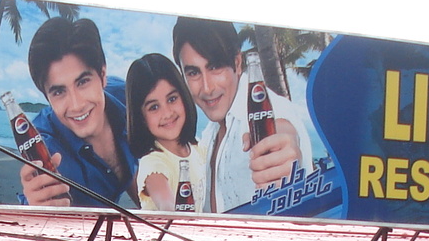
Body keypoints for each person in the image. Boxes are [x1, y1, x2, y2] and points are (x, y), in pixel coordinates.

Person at [172, 18, 305, 214]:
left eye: (215, 67)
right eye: (193, 73)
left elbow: (283, 132)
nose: (207, 88)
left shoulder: (268, 110)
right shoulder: (210, 134)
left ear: (237, 63)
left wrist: (285, 156)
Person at [15, 16, 137, 208]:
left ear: (103, 76)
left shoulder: (128, 96)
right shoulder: (47, 151)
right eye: (59, 92)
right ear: (47, 98)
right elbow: (35, 200)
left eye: (82, 82)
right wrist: (35, 207)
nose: (76, 105)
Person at [125, 53, 204, 212]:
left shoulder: (199, 149)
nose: (167, 113)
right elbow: (167, 207)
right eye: (154, 107)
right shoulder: (153, 163)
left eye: (172, 99)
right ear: (141, 117)